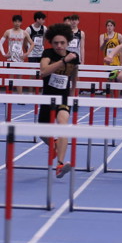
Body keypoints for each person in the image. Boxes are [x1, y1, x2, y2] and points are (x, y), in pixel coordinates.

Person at [39, 23, 80, 179]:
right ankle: (55, 146)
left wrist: (73, 93)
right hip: (48, 98)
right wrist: (63, 61)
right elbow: (43, 72)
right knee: (42, 132)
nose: (59, 46)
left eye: (62, 43)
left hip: (63, 98)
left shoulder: (74, 57)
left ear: (68, 42)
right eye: (56, 43)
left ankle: (60, 165)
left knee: (63, 126)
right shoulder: (48, 53)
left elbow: (74, 76)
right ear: (51, 42)